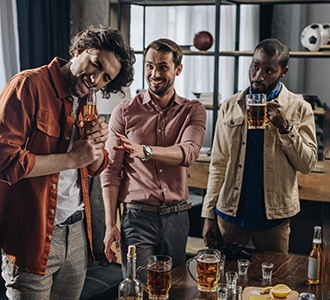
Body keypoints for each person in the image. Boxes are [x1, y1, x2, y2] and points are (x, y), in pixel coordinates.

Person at [0, 25, 135, 299]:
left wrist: (98, 145)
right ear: (79, 50)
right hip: (33, 235)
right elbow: (6, 161)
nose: (95, 79)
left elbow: (95, 168)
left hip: (76, 235)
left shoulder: (88, 101)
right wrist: (72, 158)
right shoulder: (28, 85)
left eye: (105, 78)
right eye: (95, 64)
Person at [100, 38, 206, 276]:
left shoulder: (193, 110)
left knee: (174, 288)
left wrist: (145, 151)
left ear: (178, 69)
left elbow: (189, 152)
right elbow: (111, 171)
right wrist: (110, 225)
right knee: (138, 288)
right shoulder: (124, 112)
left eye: (163, 67)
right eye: (149, 66)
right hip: (137, 218)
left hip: (177, 218)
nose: (154, 73)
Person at [201, 38, 317, 254]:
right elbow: (217, 164)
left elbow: (307, 164)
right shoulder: (230, 105)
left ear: (283, 71)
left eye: (268, 71)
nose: (258, 76)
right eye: (255, 66)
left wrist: (285, 127)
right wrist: (208, 215)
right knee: (226, 280)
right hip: (230, 215)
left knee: (274, 282)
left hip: (273, 218)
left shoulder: (300, 108)